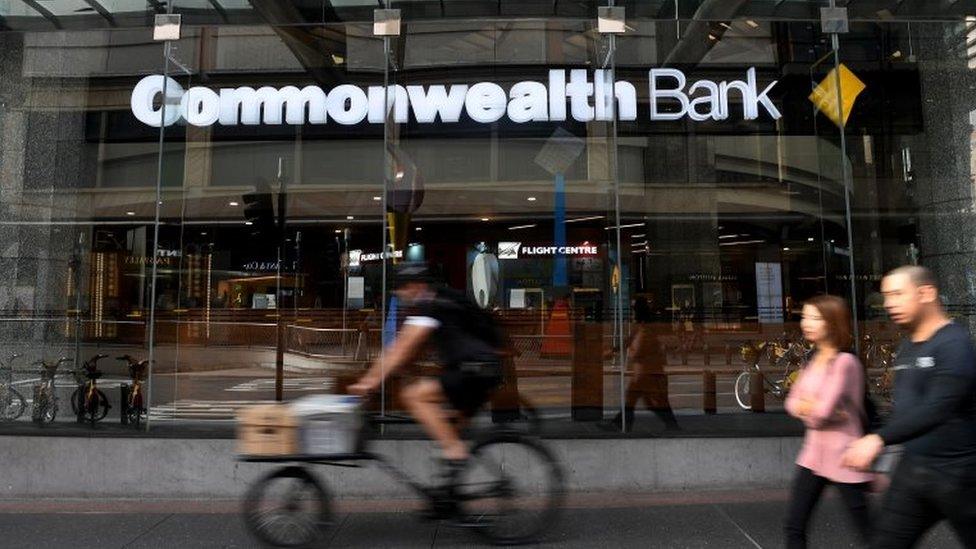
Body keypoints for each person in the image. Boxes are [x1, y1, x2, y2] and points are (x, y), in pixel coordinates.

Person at [843, 266, 976, 548]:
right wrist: (883, 461)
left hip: (962, 474)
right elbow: (905, 410)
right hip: (913, 471)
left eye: (897, 294)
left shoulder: (954, 344)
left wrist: (878, 439)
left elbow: (939, 406)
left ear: (926, 293)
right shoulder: (907, 347)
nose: (889, 304)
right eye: (886, 296)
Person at [348, 262, 504, 474]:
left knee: (413, 396)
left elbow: (400, 350)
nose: (398, 292)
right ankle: (452, 488)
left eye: (402, 287)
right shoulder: (444, 298)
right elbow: (412, 352)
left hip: (474, 369)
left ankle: (455, 453)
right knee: (446, 424)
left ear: (416, 286)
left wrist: (368, 382)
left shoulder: (428, 306)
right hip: (485, 368)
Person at [783, 295, 873, 549]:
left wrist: (812, 407)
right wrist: (819, 410)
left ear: (833, 322)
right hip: (813, 456)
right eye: (804, 317)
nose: (806, 323)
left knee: (868, 532)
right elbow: (791, 403)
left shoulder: (846, 363)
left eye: (814, 318)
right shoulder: (812, 359)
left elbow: (820, 413)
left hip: (846, 456)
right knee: (794, 526)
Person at [607, 296, 679, 432]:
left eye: (634, 310)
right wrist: (614, 350)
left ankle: (622, 423)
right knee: (644, 401)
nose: (632, 313)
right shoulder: (641, 327)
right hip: (644, 372)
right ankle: (671, 424)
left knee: (642, 400)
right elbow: (629, 341)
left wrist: (629, 351)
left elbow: (639, 349)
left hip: (647, 372)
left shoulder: (646, 329)